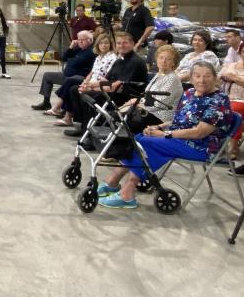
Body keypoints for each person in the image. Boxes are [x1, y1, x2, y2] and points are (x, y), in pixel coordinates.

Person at [98, 62, 232, 209]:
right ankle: (113, 182)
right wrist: (159, 126)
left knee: (148, 143)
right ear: (191, 78)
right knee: (137, 139)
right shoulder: (189, 93)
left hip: (200, 146)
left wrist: (164, 134)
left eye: (207, 76)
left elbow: (200, 132)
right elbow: (178, 119)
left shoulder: (219, 100)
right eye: (197, 76)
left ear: (215, 77)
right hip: (179, 138)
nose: (202, 80)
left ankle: (127, 193)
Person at [63, 32, 148, 137]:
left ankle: (91, 134)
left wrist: (93, 88)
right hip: (114, 91)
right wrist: (89, 85)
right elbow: (106, 79)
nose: (121, 45)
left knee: (87, 95)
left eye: (125, 43)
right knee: (75, 90)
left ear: (132, 43)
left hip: (126, 97)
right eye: (119, 43)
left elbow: (118, 86)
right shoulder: (119, 60)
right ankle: (83, 126)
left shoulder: (135, 62)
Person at [50, 32, 115, 120]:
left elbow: (107, 77)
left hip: (95, 82)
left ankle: (65, 114)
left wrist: (89, 86)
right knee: (69, 85)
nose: (103, 45)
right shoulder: (98, 56)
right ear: (98, 45)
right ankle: (64, 113)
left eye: (106, 43)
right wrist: (86, 82)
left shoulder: (109, 57)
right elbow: (64, 58)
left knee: (72, 85)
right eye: (101, 43)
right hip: (87, 79)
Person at [120, 45, 184, 127]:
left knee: (119, 117)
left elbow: (160, 104)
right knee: (116, 115)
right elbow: (148, 97)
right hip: (148, 112)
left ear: (174, 63)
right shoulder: (159, 75)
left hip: (160, 117)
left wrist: (137, 104)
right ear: (156, 59)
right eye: (161, 57)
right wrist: (136, 101)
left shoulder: (173, 79)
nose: (163, 61)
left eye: (168, 59)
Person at [31, 30, 95, 111]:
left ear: (90, 40)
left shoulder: (91, 51)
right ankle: (46, 102)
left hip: (78, 77)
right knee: (47, 75)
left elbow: (76, 62)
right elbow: (64, 58)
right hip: (66, 75)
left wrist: (71, 59)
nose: (80, 41)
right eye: (79, 39)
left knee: (70, 81)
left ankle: (64, 108)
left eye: (83, 39)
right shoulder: (78, 50)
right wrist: (71, 47)